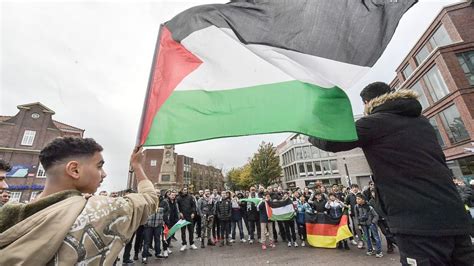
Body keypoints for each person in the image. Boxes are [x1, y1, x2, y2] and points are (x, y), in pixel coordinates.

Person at [309, 82, 473, 265]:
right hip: (455, 218)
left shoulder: (375, 123)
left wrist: (309, 129)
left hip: (417, 223)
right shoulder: (422, 121)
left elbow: (332, 141)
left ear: (368, 102)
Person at [0, 137, 158, 265]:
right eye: (99, 166)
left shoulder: (11, 216)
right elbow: (150, 198)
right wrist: (137, 166)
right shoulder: (101, 209)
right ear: (74, 170)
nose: (104, 174)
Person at [142, 190, 166, 264]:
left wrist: (163, 221)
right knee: (146, 241)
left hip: (158, 224)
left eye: (158, 193)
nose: (157, 194)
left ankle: (158, 253)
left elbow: (166, 212)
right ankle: (144, 256)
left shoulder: (163, 202)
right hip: (148, 224)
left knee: (157, 240)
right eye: (156, 193)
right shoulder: (147, 201)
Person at [355, 193, 383, 258]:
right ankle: (370, 249)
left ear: (363, 199)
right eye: (356, 199)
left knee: (376, 237)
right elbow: (356, 216)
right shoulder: (356, 206)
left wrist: (373, 222)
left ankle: (379, 251)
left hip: (371, 224)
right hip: (363, 224)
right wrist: (358, 224)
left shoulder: (369, 207)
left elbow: (376, 215)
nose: (357, 200)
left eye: (359, 199)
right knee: (367, 237)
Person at [177, 187, 197, 251]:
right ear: (181, 190)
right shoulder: (178, 198)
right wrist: (179, 212)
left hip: (190, 216)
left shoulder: (190, 197)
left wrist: (193, 213)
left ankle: (192, 243)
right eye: (184, 190)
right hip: (182, 217)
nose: (185, 191)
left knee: (191, 230)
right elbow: (177, 207)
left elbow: (193, 205)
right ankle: (184, 244)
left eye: (186, 190)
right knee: (183, 231)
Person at [345, 184, 364, 249]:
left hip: (363, 214)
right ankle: (361, 241)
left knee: (365, 228)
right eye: (353, 188)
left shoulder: (361, 194)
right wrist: (349, 208)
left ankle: (368, 241)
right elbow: (346, 204)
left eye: (356, 187)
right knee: (357, 228)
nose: (355, 189)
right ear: (351, 189)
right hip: (354, 215)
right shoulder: (349, 196)